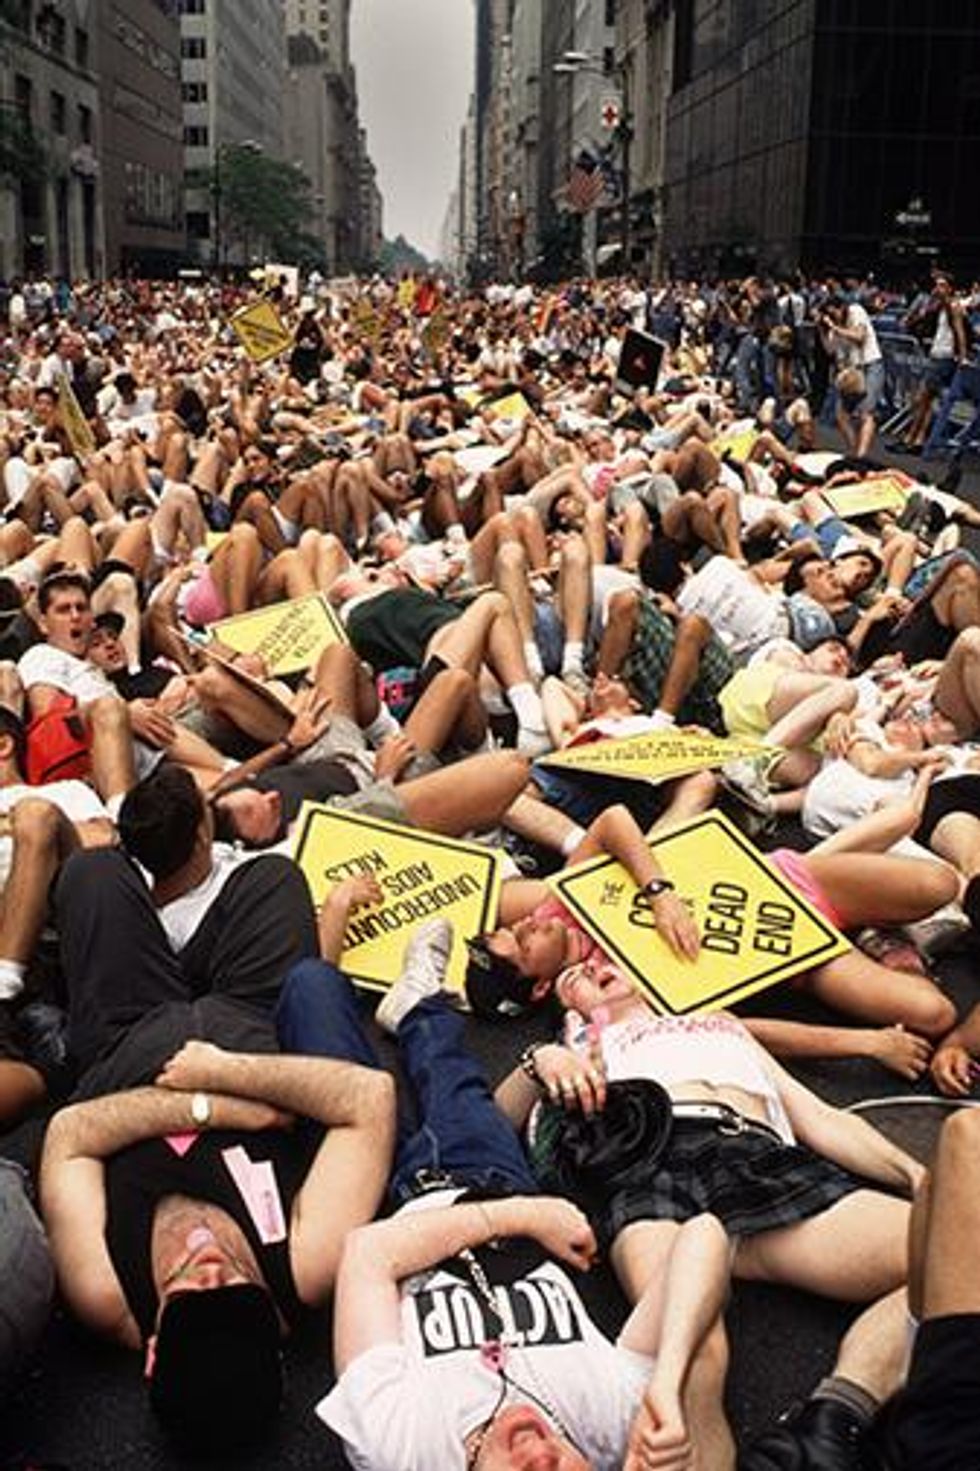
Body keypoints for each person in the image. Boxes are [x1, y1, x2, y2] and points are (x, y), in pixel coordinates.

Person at [276, 915, 730, 1471]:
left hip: (381, 1203)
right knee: (451, 1078)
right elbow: (705, 1238)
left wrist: (525, 1217)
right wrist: (666, 1381)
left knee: (309, 989)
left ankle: (398, 1006)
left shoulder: (404, 1447)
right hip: (486, 1172)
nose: (540, 1453)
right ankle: (422, 1005)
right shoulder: (610, 1424)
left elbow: (369, 1254)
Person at [506, 953, 924, 1469]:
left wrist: (916, 1175)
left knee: (952, 1258)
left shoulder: (721, 1023)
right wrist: (540, 1058)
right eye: (575, 977)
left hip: (760, 1157)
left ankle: (835, 1415)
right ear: (564, 1006)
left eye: (600, 962)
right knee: (694, 1362)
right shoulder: (576, 1051)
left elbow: (819, 1117)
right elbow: (495, 1114)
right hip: (651, 1168)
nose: (593, 969)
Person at [38, 1040, 394, 1452]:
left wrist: (212, 1108)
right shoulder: (307, 1265)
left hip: (124, 1056)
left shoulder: (105, 1292)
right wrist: (221, 1070)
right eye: (237, 1290)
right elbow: (371, 1097)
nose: (210, 1269)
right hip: (237, 1040)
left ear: (153, 1351)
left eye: (191, 1295)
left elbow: (69, 1135)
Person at [54, 763, 319, 1097]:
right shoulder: (246, 892)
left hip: (143, 1045)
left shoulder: (154, 854)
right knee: (276, 876)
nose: (212, 801)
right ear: (202, 836)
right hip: (213, 1039)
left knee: (90, 865)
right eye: (206, 804)